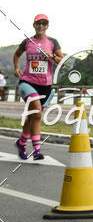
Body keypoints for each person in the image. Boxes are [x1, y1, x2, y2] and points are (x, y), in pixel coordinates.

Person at [13, 14, 63, 160]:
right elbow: (17, 55)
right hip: (27, 82)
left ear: (47, 26)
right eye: (38, 23)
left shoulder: (53, 42)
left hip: (45, 85)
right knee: (37, 114)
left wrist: (52, 56)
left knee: (33, 116)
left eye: (44, 23)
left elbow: (62, 62)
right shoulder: (28, 42)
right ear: (34, 25)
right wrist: (16, 67)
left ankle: (22, 143)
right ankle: (37, 150)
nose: (41, 26)